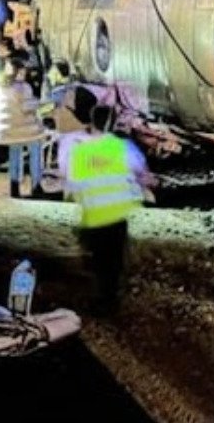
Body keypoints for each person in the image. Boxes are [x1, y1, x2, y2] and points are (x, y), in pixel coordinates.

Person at [60, 103, 150, 313]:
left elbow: (72, 181)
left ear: (92, 122)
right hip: (117, 214)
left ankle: (101, 298)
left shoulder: (80, 151)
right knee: (114, 259)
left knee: (98, 259)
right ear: (113, 123)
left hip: (94, 214)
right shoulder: (121, 147)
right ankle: (111, 297)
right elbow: (141, 170)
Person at [0, 55, 42, 199]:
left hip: (7, 129)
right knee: (36, 150)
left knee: (15, 154)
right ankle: (36, 185)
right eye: (22, 72)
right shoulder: (23, 87)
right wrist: (40, 103)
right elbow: (26, 107)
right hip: (24, 127)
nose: (24, 75)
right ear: (16, 71)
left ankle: (14, 186)